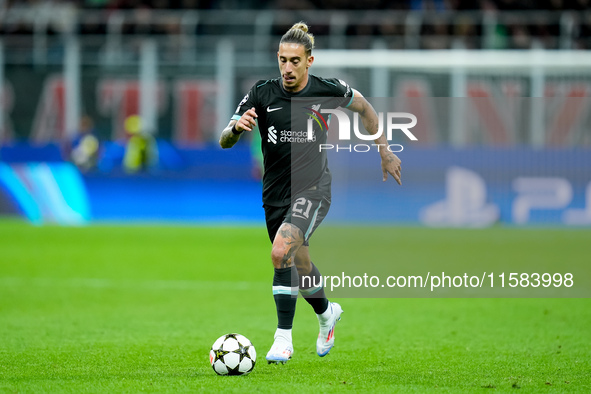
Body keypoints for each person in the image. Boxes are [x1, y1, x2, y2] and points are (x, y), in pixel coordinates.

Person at [219, 22, 402, 364]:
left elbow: (364, 108)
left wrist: (383, 149)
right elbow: (224, 140)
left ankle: (282, 339)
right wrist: (235, 128)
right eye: (282, 60)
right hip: (275, 193)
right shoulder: (261, 93)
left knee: (279, 253)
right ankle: (327, 315)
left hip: (313, 188)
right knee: (299, 264)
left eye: (294, 61)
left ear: (309, 61)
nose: (287, 68)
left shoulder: (326, 89)